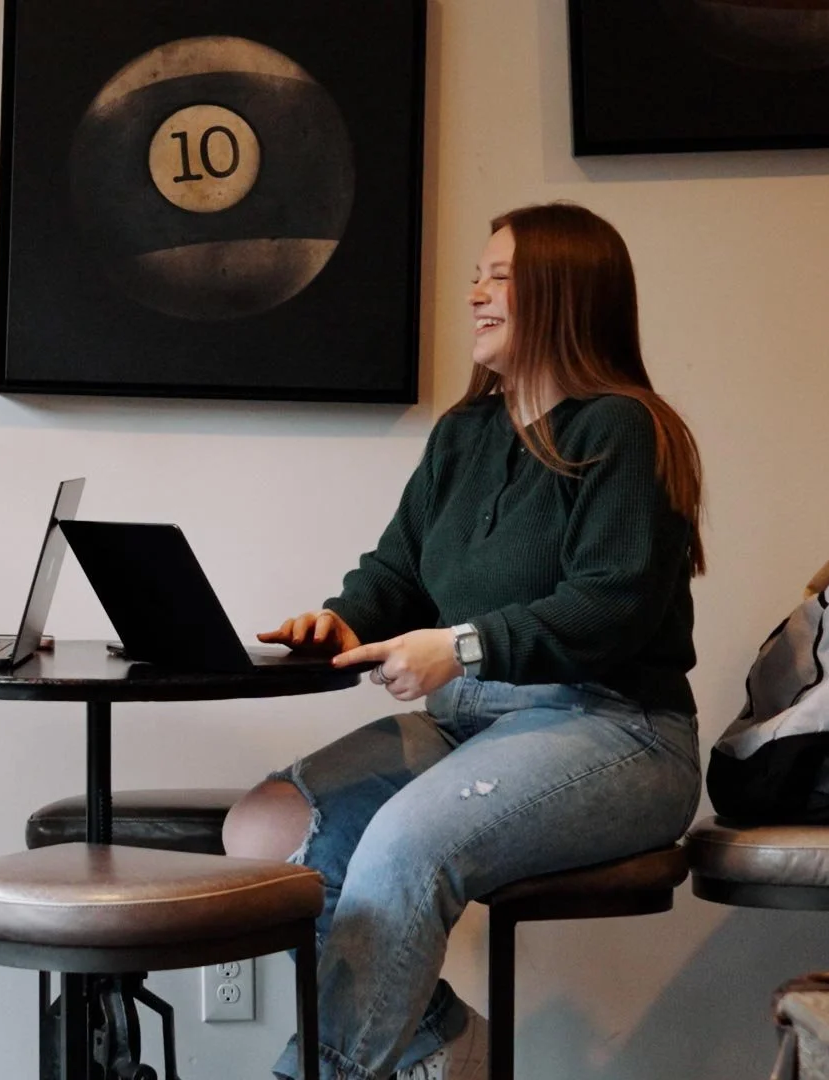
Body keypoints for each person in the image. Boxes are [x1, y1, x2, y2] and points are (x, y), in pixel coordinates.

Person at [224, 203, 706, 1080]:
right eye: (477, 277)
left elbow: (611, 607)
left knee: (408, 847)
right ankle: (440, 1043)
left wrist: (466, 646)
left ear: (565, 292)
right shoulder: (465, 435)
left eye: (499, 277)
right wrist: (344, 618)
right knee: (267, 829)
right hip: (467, 720)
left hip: (614, 728)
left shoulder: (624, 430)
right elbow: (398, 569)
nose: (476, 294)